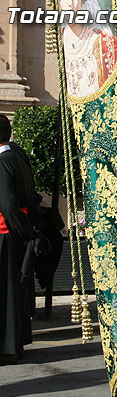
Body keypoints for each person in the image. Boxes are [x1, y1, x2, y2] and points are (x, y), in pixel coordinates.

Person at [0, 114, 39, 365]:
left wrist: (22, 230)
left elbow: (7, 204)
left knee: (6, 294)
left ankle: (8, 348)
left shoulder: (3, 161)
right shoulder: (17, 156)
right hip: (16, 233)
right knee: (14, 291)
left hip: (5, 232)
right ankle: (16, 344)